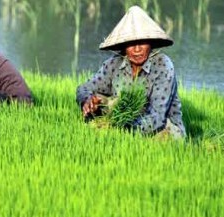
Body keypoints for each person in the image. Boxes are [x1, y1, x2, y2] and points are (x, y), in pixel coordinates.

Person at [76, 6, 186, 138]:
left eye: (142, 42)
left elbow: (157, 116)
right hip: (126, 122)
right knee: (99, 103)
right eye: (131, 44)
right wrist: (88, 101)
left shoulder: (163, 65)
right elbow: (83, 88)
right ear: (123, 45)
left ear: (151, 42)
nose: (137, 49)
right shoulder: (114, 64)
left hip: (164, 127)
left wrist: (123, 132)